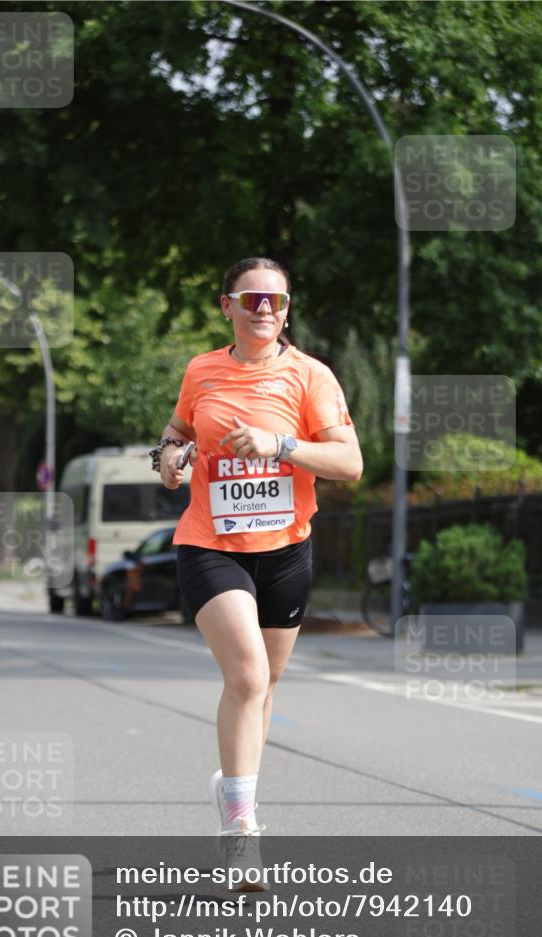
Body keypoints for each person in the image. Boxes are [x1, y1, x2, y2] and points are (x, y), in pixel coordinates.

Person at [151, 257, 362, 887]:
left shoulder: (309, 375)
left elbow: (349, 461)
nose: (263, 307)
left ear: (287, 308)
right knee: (246, 673)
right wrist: (167, 459)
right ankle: (240, 830)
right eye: (251, 299)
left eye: (275, 299)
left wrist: (280, 446)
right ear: (227, 306)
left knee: (264, 687)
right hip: (211, 544)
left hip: (286, 549)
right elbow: (176, 432)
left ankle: (235, 790)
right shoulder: (202, 370)